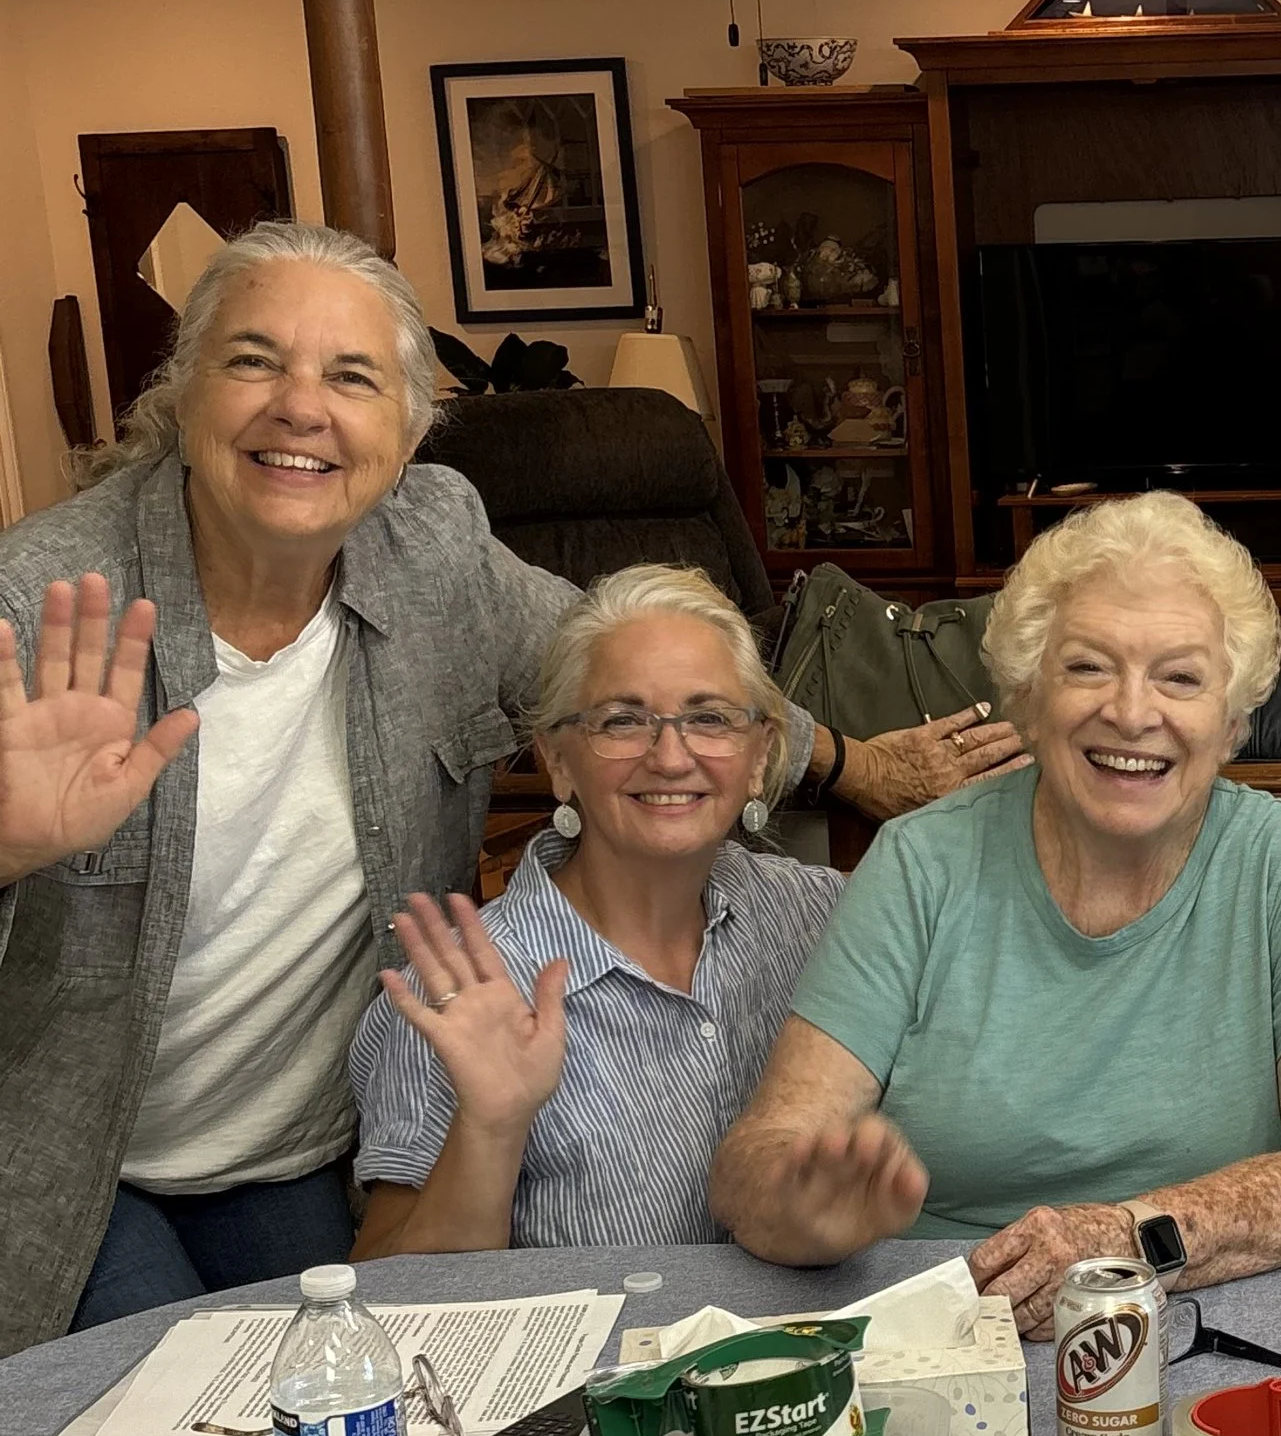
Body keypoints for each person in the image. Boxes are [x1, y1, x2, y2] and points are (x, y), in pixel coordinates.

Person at [0, 219, 1022, 1351]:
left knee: (342, 1414)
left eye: (351, 375)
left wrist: (851, 763)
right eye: (253, 360)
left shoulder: (431, 547)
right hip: (65, 1152)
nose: (301, 407)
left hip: (287, 1142)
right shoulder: (39, 602)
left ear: (408, 428)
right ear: (183, 388)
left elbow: (632, 677)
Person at [711, 490, 1281, 1328]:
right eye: (1088, 665)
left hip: (1219, 1327)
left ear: (1232, 720)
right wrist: (800, 1208)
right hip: (955, 1332)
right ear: (1027, 693)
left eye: (1180, 677)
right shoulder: (920, 862)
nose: (1132, 711)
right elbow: (755, 1160)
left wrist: (1134, 1237)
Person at [348, 568, 840, 1253]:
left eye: (708, 718)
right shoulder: (465, 990)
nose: (671, 757)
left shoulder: (823, 916)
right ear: (558, 761)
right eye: (622, 720)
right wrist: (489, 1129)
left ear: (760, 757)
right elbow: (391, 1302)